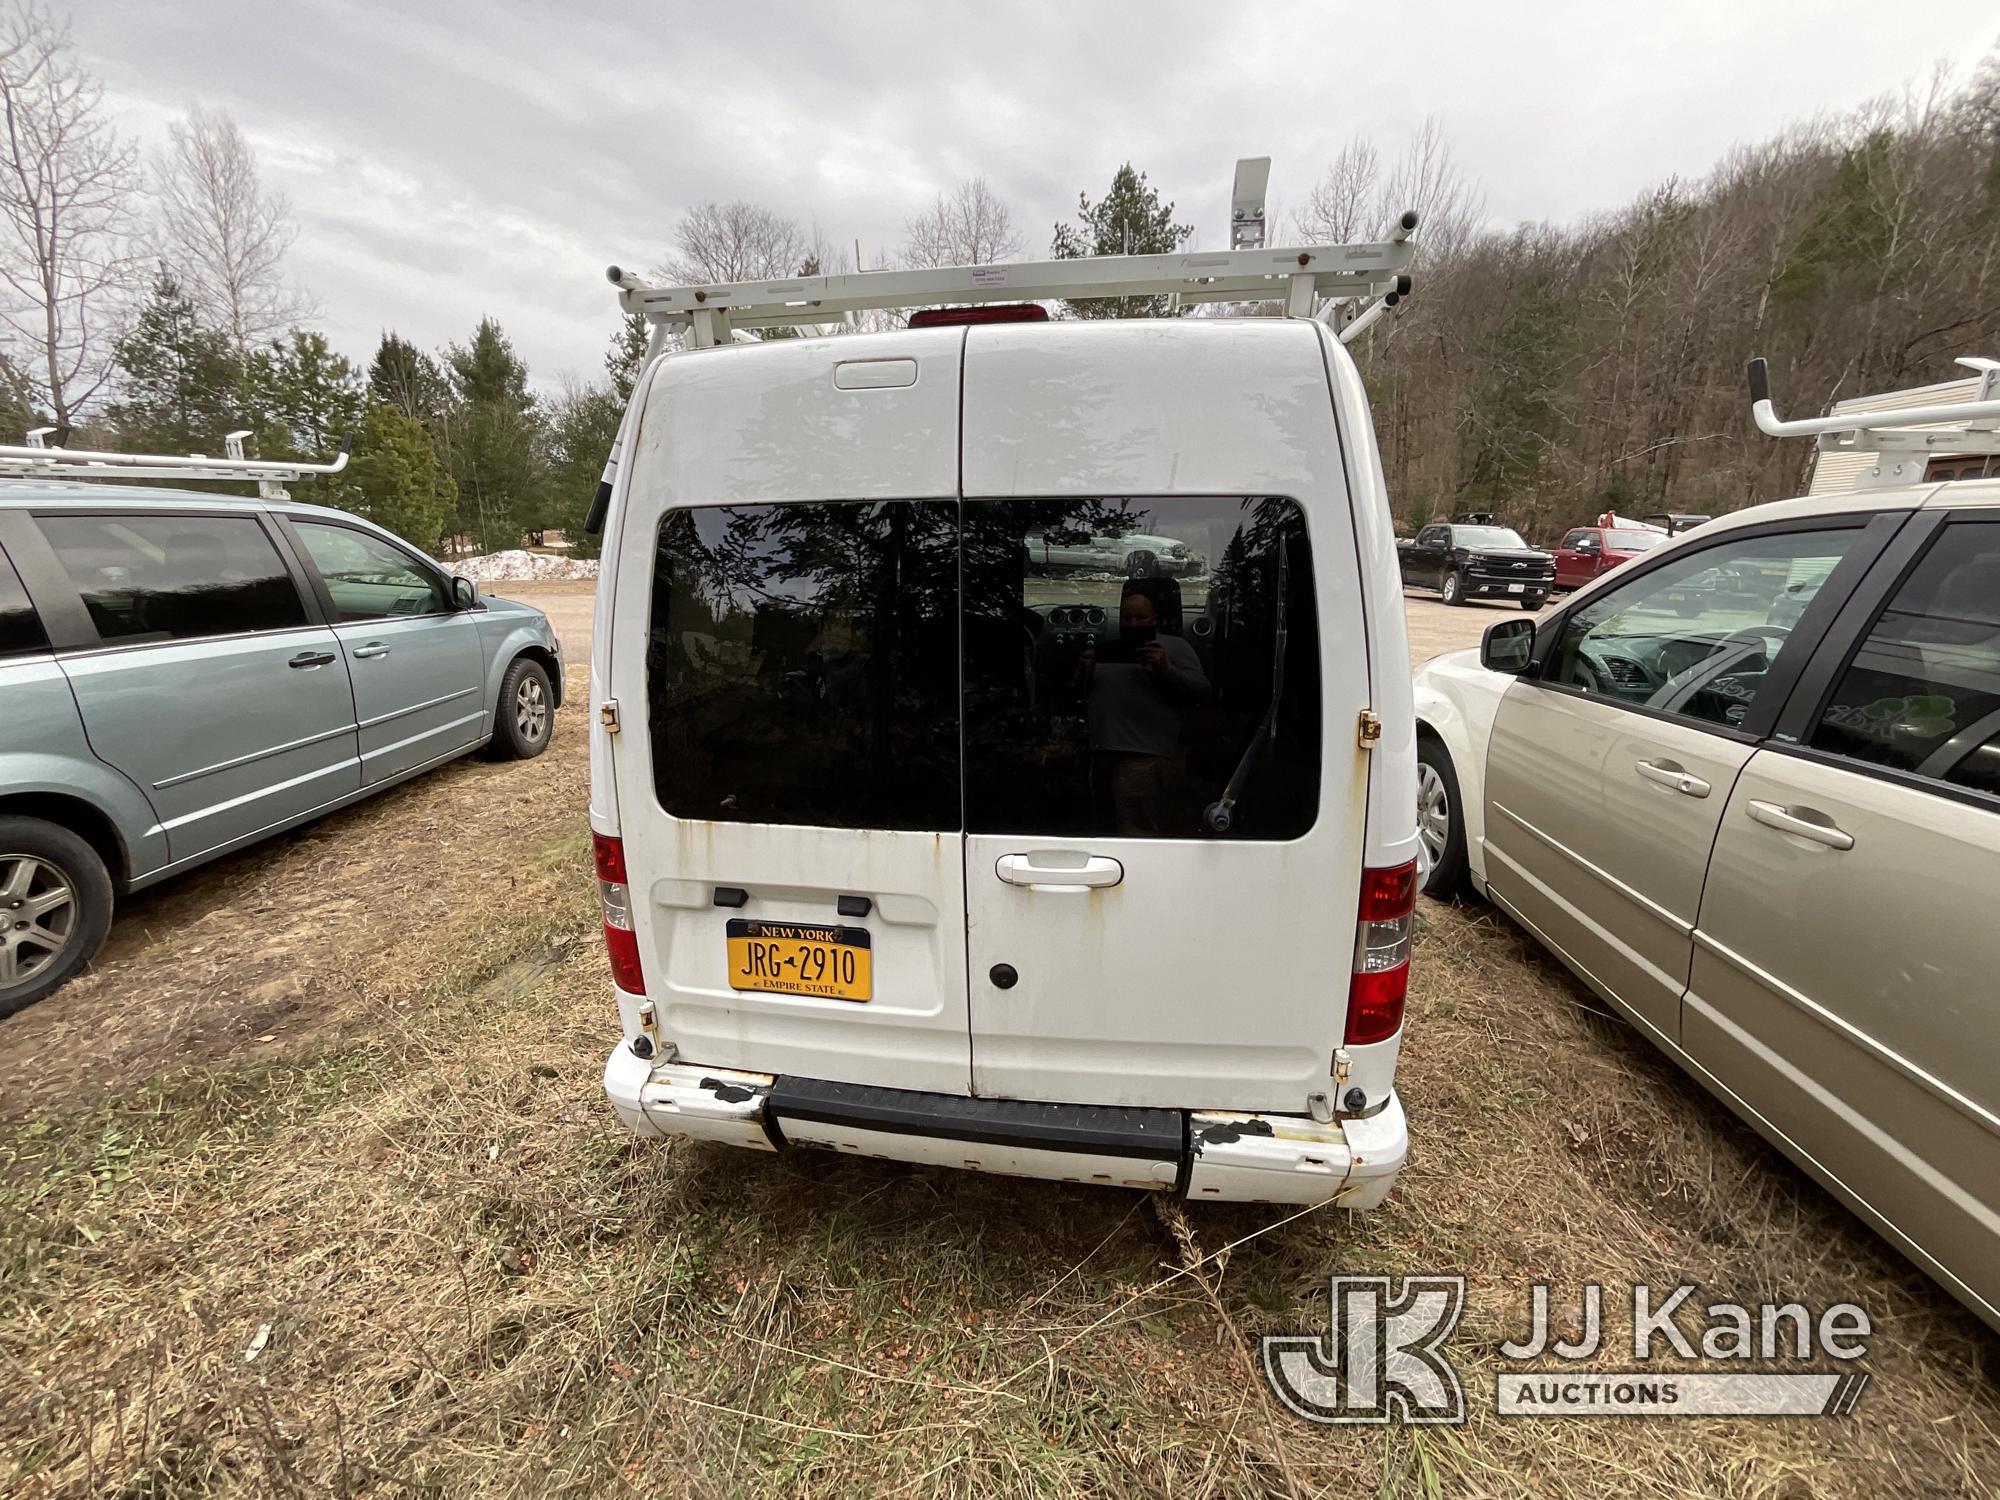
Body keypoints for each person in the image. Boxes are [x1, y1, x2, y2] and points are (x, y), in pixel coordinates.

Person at [1077, 578, 1211, 834]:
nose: (1133, 624)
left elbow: (1202, 692)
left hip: (1145, 758)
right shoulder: (1106, 650)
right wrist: (1084, 671)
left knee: (1137, 832)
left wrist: (1166, 669)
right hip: (1102, 754)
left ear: (1155, 619)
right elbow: (1080, 695)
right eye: (1127, 618)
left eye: (1140, 617)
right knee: (1101, 831)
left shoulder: (1173, 647)